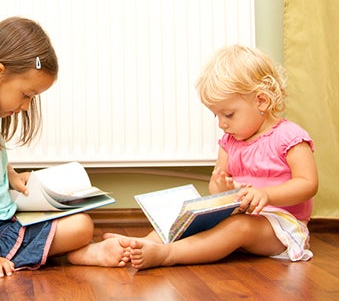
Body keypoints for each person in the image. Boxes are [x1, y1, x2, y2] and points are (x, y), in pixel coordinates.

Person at [0, 16, 132, 278]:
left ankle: (77, 252)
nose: (26, 106)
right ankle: (80, 252)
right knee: (81, 226)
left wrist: (11, 176)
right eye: (26, 94)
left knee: (75, 221)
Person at [105, 44, 318, 270]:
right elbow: (217, 190)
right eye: (216, 115)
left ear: (262, 101)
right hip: (240, 216)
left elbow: (308, 184)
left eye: (228, 114)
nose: (221, 124)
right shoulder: (229, 142)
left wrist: (266, 194)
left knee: (239, 226)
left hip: (281, 224)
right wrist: (221, 191)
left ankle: (168, 254)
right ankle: (143, 244)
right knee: (185, 214)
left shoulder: (289, 136)